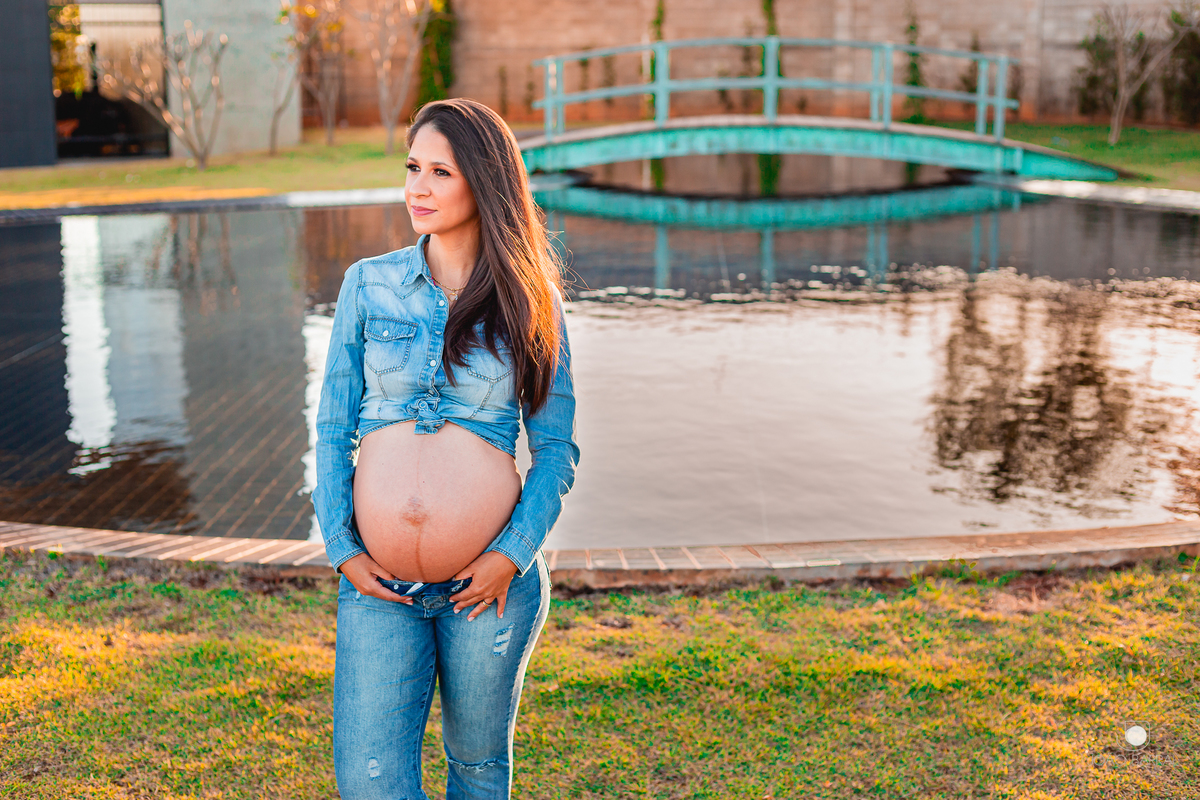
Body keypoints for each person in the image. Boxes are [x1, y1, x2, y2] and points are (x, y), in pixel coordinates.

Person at [313, 97, 579, 800]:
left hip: (488, 592)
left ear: (485, 183)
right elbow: (333, 431)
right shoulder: (366, 286)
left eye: (441, 172)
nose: (418, 188)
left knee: (478, 768)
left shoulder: (531, 301)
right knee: (369, 783)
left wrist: (509, 555)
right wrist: (342, 547)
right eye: (412, 168)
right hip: (379, 590)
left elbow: (554, 451)